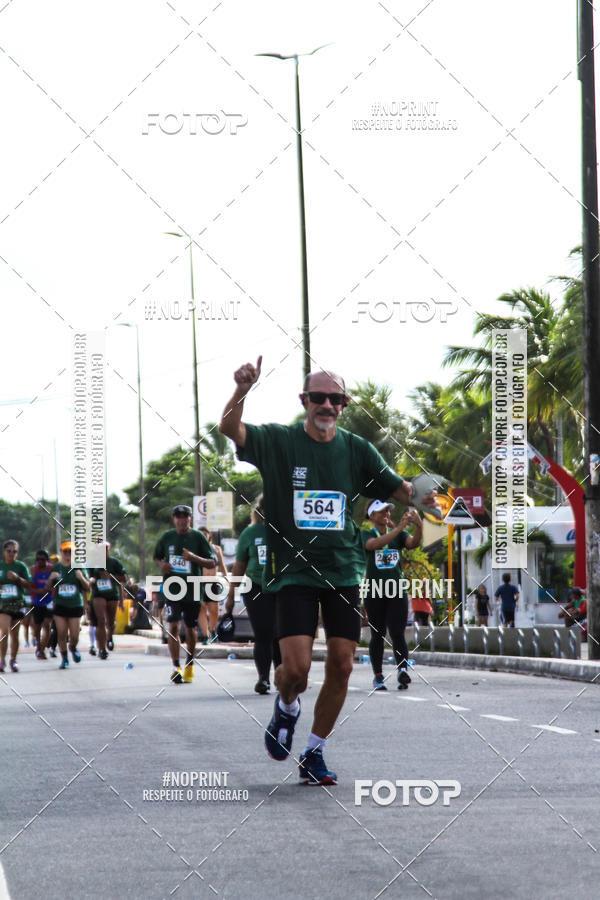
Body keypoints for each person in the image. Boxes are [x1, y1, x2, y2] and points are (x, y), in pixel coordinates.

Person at [219, 357, 439, 785]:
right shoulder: (279, 441)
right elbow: (230, 428)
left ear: (344, 404)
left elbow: (400, 489)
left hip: (342, 571)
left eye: (334, 399)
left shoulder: (357, 449)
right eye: (318, 397)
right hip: (294, 575)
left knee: (341, 666)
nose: (326, 405)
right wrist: (242, 390)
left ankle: (314, 752)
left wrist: (425, 500)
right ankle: (286, 706)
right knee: (297, 671)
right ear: (304, 401)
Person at [361, 502, 422, 691]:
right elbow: (374, 545)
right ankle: (378, 676)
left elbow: (413, 543)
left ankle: (402, 670)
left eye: (388, 510)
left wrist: (419, 526)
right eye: (382, 511)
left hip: (396, 590)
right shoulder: (366, 534)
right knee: (377, 634)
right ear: (372, 516)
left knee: (397, 632)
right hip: (375, 591)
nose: (387, 513)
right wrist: (400, 528)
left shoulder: (398, 534)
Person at [153, 505, 216, 684]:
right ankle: (175, 666)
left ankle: (189, 663)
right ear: (174, 519)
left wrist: (194, 558)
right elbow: (157, 557)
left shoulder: (198, 537)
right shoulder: (167, 537)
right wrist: (161, 565)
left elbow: (212, 562)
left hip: (193, 588)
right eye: (178, 517)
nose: (182, 520)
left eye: (185, 517)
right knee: (173, 626)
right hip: (173, 588)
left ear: (190, 519)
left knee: (190, 628)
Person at [224, 496, 281, 694]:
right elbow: (239, 566)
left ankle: (282, 679)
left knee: (280, 634)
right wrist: (231, 596)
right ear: (263, 511)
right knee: (264, 633)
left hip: (282, 587)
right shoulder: (250, 533)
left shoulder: (289, 531)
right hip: (255, 587)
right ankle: (263, 679)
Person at [46, 541, 89, 669]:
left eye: (70, 551)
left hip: (75, 605)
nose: (68, 554)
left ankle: (73, 647)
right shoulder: (56, 568)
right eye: (65, 551)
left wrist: (81, 578)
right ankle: (64, 658)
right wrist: (51, 579)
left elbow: (87, 588)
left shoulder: (79, 567)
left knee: (74, 634)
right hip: (60, 605)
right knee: (62, 632)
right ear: (61, 552)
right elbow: (48, 588)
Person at [88, 543, 127, 659]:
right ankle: (102, 649)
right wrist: (92, 580)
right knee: (101, 621)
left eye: (105, 550)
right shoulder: (93, 563)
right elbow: (88, 578)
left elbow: (124, 579)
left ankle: (109, 636)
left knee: (110, 622)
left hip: (112, 595)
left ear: (108, 550)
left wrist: (110, 576)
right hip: (98, 594)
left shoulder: (115, 563)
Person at [0, 540, 32, 672]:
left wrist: (17, 578)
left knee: (15, 633)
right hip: (3, 604)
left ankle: (13, 660)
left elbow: (29, 584)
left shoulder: (21, 566)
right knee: (5, 632)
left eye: (15, 551)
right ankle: (2, 660)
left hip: (17, 603)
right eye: (9, 551)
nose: (12, 553)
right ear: (4, 551)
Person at [198, 528, 228, 644]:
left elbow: (222, 564)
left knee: (214, 610)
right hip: (199, 582)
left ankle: (212, 629)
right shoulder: (196, 549)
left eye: (205, 534)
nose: (204, 536)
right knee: (201, 608)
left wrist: (226, 578)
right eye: (201, 534)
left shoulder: (216, 549)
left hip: (212, 582)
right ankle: (205, 635)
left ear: (209, 535)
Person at [30, 549, 54, 659]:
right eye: (38, 559)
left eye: (43, 559)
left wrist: (49, 589)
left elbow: (56, 584)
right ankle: (39, 646)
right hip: (37, 601)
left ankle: (42, 649)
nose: (40, 562)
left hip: (49, 601)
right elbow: (29, 586)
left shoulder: (52, 569)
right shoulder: (33, 570)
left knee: (47, 625)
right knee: (37, 627)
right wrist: (39, 592)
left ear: (47, 560)